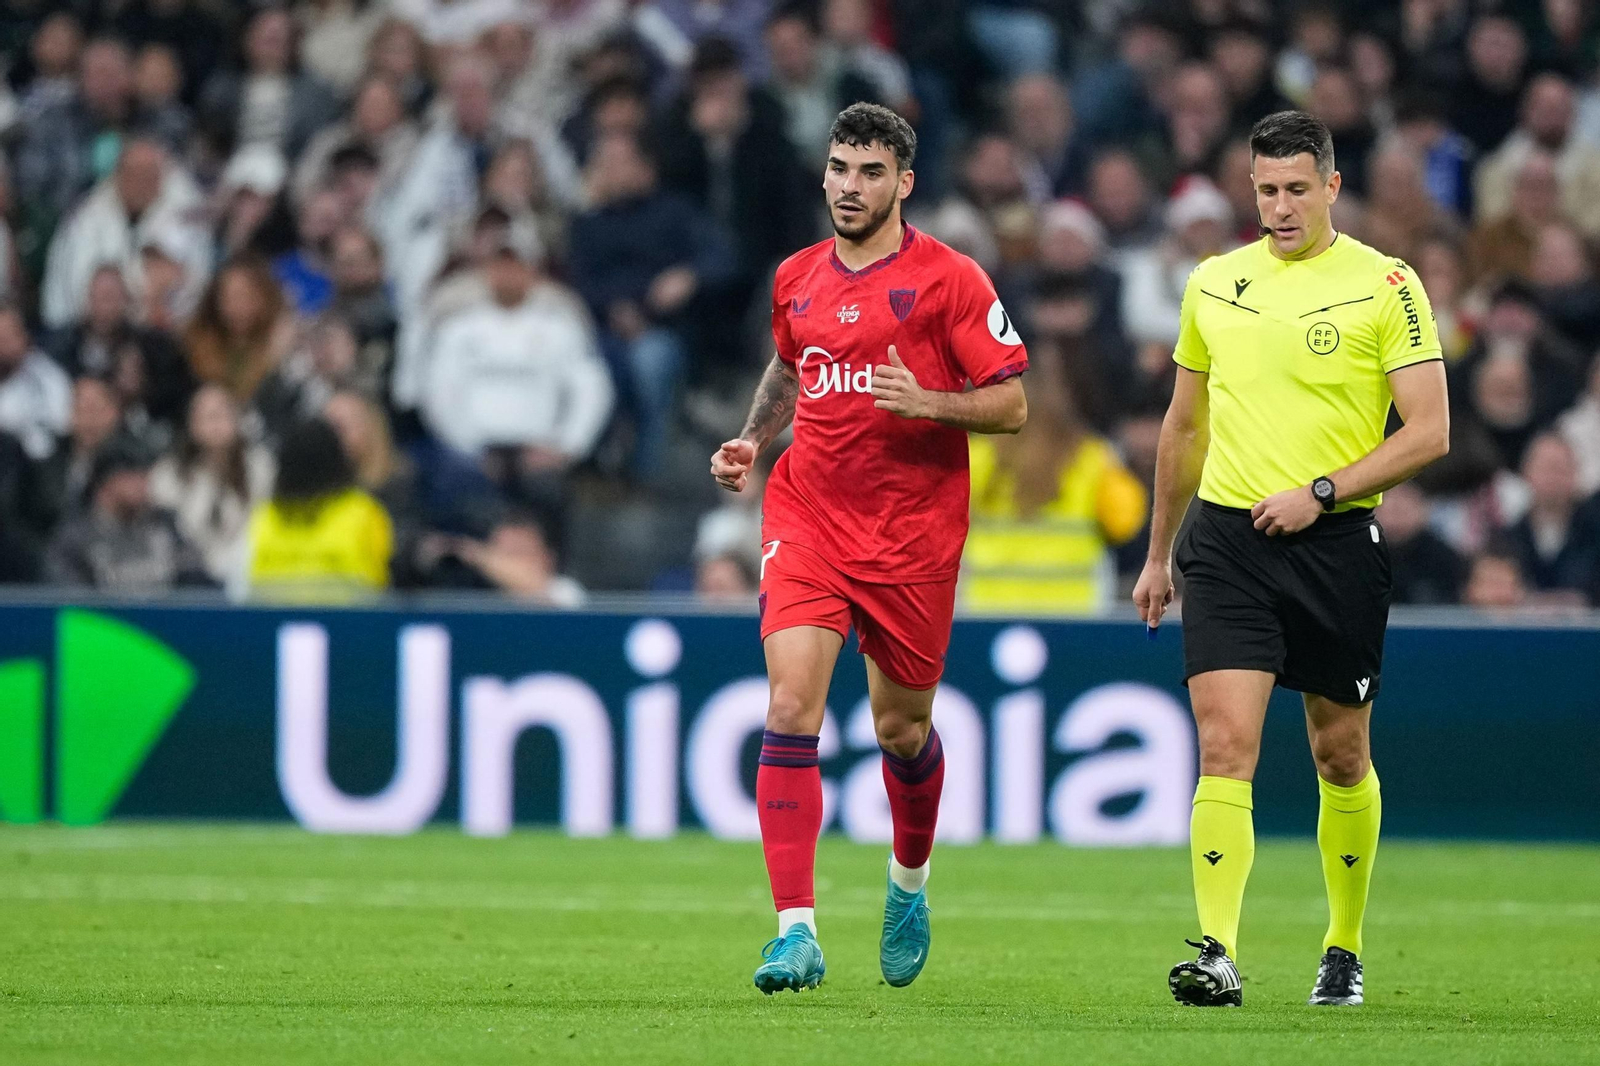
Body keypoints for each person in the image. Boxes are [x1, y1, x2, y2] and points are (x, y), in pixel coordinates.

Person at [1132, 111, 1451, 1008]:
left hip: (1336, 543)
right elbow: (1185, 426)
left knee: (1339, 753)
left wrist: (1322, 492)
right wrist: (1159, 552)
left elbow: (1429, 431)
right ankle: (1218, 952)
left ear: (1332, 188)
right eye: (1265, 190)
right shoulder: (1214, 283)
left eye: (1296, 190)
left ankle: (1342, 946)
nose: (1279, 207)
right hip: (1228, 542)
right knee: (1224, 744)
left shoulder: (1386, 285)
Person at [709, 103, 1028, 995]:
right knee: (789, 705)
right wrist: (753, 439)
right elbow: (791, 363)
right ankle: (794, 932)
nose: (851, 187)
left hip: (912, 535)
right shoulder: (797, 277)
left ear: (904, 184)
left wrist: (931, 402)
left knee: (902, 728)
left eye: (871, 172)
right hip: (807, 517)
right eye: (841, 169)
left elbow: (1012, 404)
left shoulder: (950, 280)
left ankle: (909, 883)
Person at [242, 416, 392, 602]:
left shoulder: (264, 516)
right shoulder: (364, 511)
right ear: (337, 457)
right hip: (348, 625)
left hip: (329, 625)